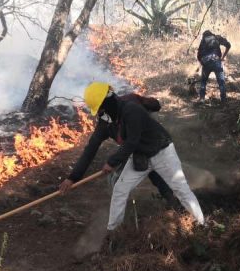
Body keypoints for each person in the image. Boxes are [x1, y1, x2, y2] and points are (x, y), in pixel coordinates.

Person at [60, 82, 205, 231]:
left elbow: (132, 141)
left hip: (162, 151)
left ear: (107, 102)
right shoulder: (106, 122)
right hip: (141, 156)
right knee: (120, 190)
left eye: (101, 109)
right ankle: (113, 231)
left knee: (181, 189)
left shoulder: (131, 110)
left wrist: (112, 162)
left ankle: (201, 225)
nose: (100, 114)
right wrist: (73, 177)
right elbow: (90, 149)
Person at [196, 29, 231, 103]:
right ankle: (223, 100)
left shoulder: (203, 41)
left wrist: (202, 63)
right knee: (221, 82)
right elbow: (228, 45)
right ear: (211, 34)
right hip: (216, 61)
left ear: (204, 36)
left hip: (206, 62)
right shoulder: (217, 37)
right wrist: (223, 57)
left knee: (203, 81)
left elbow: (199, 56)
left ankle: (202, 99)